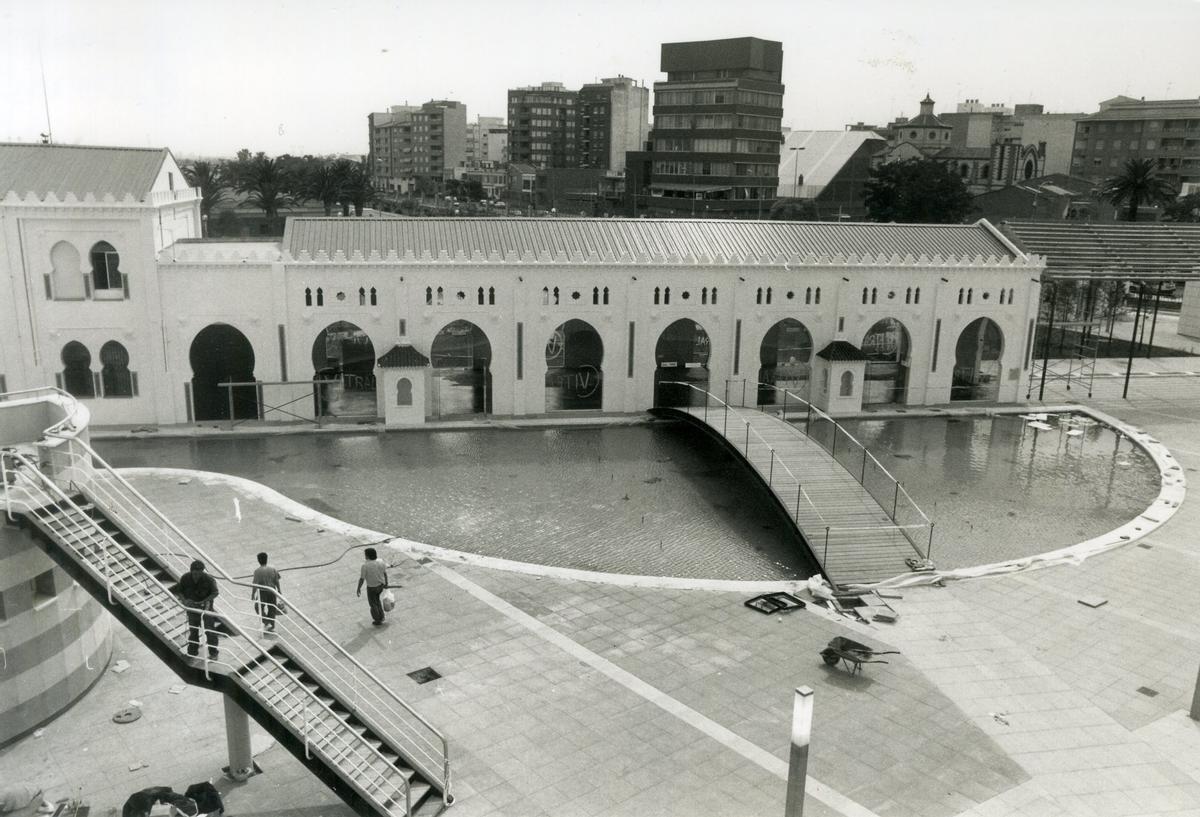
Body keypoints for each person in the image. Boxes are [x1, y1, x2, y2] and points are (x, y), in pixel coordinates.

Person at [178, 559, 220, 660]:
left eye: (199, 574)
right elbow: (179, 591)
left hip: (205, 609)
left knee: (210, 631)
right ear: (191, 571)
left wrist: (205, 601)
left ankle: (213, 652)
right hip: (192, 610)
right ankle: (192, 652)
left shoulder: (209, 579)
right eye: (195, 574)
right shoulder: (185, 578)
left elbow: (215, 592)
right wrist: (184, 601)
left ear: (202, 572)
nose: (197, 576)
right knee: (193, 632)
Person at [355, 547, 388, 626]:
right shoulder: (381, 561)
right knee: (377, 600)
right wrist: (386, 583)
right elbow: (385, 573)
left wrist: (358, 588)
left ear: (368, 556)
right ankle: (382, 616)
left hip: (371, 588)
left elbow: (362, 579)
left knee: (373, 604)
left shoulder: (365, 566)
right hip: (380, 586)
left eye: (365, 554)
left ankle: (377, 619)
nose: (365, 556)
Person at [251, 551, 282, 632]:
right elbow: (277, 581)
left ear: (258, 561)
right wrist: (279, 590)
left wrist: (253, 594)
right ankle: (271, 625)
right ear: (266, 559)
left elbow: (255, 584)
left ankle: (266, 622)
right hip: (272, 591)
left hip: (262, 592)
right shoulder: (273, 569)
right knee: (272, 608)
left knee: (258, 607)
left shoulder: (257, 571)